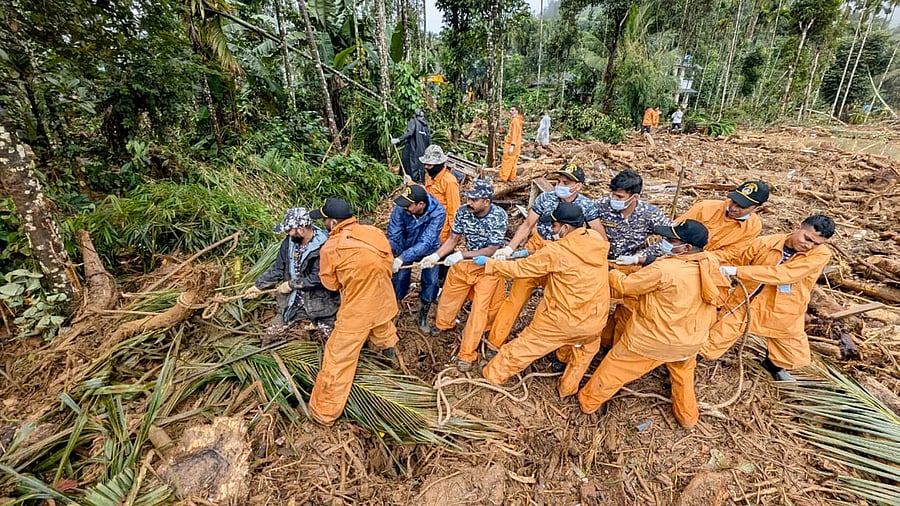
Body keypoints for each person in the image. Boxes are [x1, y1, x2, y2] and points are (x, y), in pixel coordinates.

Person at [578, 220, 730, 429]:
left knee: (615, 368)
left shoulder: (665, 269)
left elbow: (626, 286)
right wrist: (642, 260)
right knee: (683, 376)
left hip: (653, 341)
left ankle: (588, 402)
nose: (665, 242)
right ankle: (688, 418)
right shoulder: (708, 261)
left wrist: (612, 270)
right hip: (690, 341)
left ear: (686, 247)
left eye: (670, 240)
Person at [477, 202, 610, 397]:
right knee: (581, 354)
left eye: (555, 226)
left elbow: (520, 270)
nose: (552, 230)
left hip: (563, 321)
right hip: (594, 320)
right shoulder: (596, 239)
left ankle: (491, 376)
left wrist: (491, 264)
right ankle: (566, 390)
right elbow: (570, 249)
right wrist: (536, 251)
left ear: (565, 227)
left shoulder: (556, 253)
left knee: (524, 347)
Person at [487, 163, 606, 353]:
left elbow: (600, 236)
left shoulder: (586, 206)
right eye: (558, 181)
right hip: (539, 249)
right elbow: (527, 225)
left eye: (566, 182)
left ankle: (544, 348)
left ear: (579, 186)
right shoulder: (546, 199)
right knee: (516, 298)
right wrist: (509, 248)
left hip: (565, 258)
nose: (560, 185)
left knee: (552, 305)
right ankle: (495, 342)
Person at [701, 215, 836, 381]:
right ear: (797, 227)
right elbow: (737, 256)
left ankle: (773, 366)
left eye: (816, 243)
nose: (808, 245)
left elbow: (787, 274)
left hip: (786, 310)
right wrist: (706, 259)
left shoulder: (820, 255)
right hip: (747, 302)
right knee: (714, 340)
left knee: (791, 352)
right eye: (807, 238)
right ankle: (685, 363)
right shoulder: (766, 243)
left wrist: (738, 271)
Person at [307, 198, 400, 425]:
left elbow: (330, 283)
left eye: (325, 220)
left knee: (338, 357)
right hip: (385, 299)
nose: (324, 224)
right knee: (382, 327)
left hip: (358, 308)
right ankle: (391, 357)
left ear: (334, 222)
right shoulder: (374, 232)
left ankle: (324, 412)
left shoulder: (331, 247)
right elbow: (388, 262)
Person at [420, 179, 509, 372]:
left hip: (488, 267)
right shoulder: (463, 211)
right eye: (469, 197)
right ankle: (443, 324)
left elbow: (492, 248)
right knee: (449, 295)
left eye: (474, 199)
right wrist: (436, 255)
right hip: (465, 263)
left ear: (486, 201)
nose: (469, 202)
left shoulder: (499, 216)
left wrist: (462, 254)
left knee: (479, 311)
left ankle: (467, 354)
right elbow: (453, 239)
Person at [244, 207, 340, 343]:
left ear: (301, 229)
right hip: (292, 303)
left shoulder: (326, 246)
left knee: (326, 341)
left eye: (290, 230)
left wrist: (291, 284)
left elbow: (319, 277)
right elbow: (278, 268)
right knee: (270, 338)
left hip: (320, 304)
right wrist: (259, 286)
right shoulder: (289, 243)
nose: (288, 234)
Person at [634, 180, 770, 266]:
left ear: (757, 208)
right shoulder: (705, 207)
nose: (734, 208)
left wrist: (698, 258)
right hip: (673, 255)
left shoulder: (753, 227)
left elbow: (731, 254)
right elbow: (674, 231)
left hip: (707, 264)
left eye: (741, 207)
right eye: (733, 202)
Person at [388, 184, 446, 334]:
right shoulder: (401, 208)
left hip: (429, 250)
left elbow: (426, 241)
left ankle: (423, 314)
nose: (404, 208)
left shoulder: (438, 212)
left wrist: (402, 258)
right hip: (404, 246)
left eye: (408, 205)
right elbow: (394, 234)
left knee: (431, 282)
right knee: (399, 279)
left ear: (420, 204)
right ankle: (394, 309)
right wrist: (390, 254)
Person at [596, 169, 672, 262]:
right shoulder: (601, 205)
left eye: (619, 196)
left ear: (635, 197)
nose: (613, 199)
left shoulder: (649, 214)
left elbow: (673, 236)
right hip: (600, 258)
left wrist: (639, 257)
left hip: (631, 263)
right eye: (613, 194)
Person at [421, 144, 460, 244]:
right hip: (428, 221)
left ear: (438, 165)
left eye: (429, 165)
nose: (426, 167)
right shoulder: (429, 176)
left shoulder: (449, 181)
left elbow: (454, 209)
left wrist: (454, 232)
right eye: (425, 164)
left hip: (442, 226)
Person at [391, 110, 432, 184]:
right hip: (422, 152)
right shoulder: (426, 126)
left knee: (410, 168)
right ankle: (419, 183)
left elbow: (409, 133)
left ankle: (409, 184)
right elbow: (429, 141)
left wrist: (398, 139)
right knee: (420, 169)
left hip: (412, 151)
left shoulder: (414, 122)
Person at [499, 106, 524, 182]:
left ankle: (504, 177)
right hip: (516, 144)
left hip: (511, 144)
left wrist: (512, 145)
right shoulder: (518, 120)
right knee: (513, 162)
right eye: (510, 110)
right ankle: (511, 177)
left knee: (507, 160)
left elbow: (514, 133)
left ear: (517, 111)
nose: (511, 111)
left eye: (513, 110)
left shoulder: (515, 120)